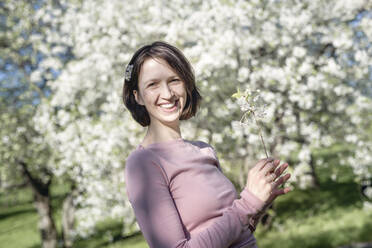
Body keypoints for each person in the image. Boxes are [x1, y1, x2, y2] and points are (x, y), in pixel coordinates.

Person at [123, 41, 291, 248]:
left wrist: (258, 203)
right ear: (137, 96)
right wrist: (248, 203)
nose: (167, 94)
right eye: (153, 84)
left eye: (174, 80)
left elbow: (233, 232)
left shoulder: (204, 150)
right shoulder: (143, 163)